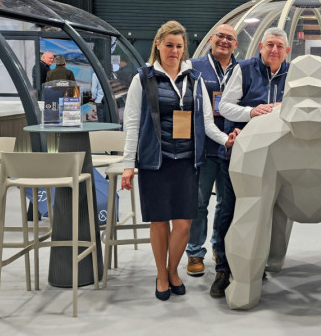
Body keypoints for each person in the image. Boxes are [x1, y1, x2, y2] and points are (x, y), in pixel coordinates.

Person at [121, 20, 239, 301]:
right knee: (159, 222)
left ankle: (174, 268)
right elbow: (132, 123)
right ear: (158, 45)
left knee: (184, 224)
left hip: (187, 162)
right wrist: (128, 163)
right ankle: (163, 275)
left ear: (184, 49)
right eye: (169, 45)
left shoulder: (194, 80)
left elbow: (208, 123)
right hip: (155, 162)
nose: (174, 51)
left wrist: (226, 140)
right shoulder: (143, 78)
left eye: (179, 46)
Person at [210, 27, 291, 297]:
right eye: (269, 45)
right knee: (229, 209)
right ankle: (223, 268)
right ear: (260, 46)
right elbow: (224, 106)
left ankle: (254, 263)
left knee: (263, 211)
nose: (274, 50)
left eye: (279, 46)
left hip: (275, 158)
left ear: (287, 51)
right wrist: (251, 112)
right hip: (240, 153)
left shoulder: (293, 75)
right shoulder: (243, 69)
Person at [183, 24, 239, 278]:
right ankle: (195, 251)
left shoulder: (242, 69)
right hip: (204, 147)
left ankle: (219, 247)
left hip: (233, 147)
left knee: (227, 204)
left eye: (230, 38)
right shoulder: (193, 66)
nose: (225, 41)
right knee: (199, 202)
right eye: (221, 36)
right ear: (211, 39)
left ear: (236, 44)